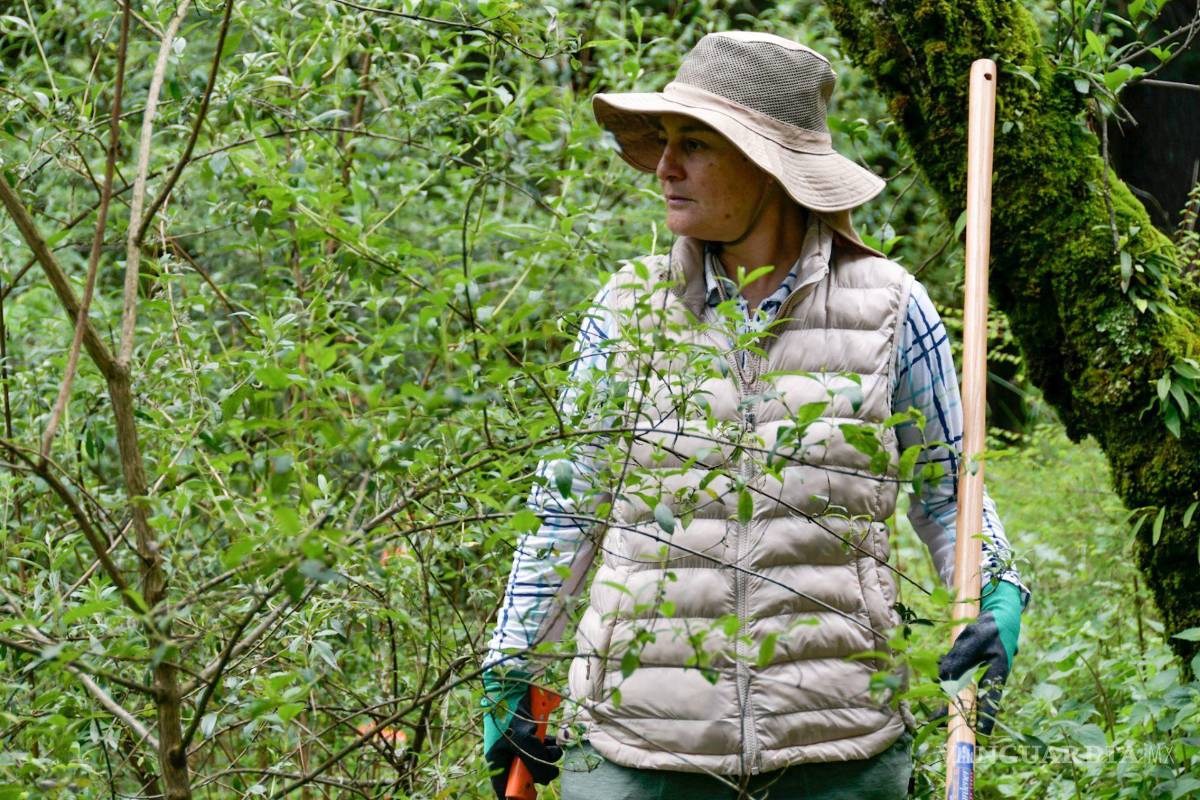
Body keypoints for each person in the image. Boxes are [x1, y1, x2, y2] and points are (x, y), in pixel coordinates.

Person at [481, 31, 1028, 800]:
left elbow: (948, 492)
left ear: (769, 165)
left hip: (839, 752)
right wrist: (513, 663)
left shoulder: (891, 309)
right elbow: (566, 511)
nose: (665, 167)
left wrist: (998, 591)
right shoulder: (626, 311)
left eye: (695, 144)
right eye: (665, 142)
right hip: (639, 754)